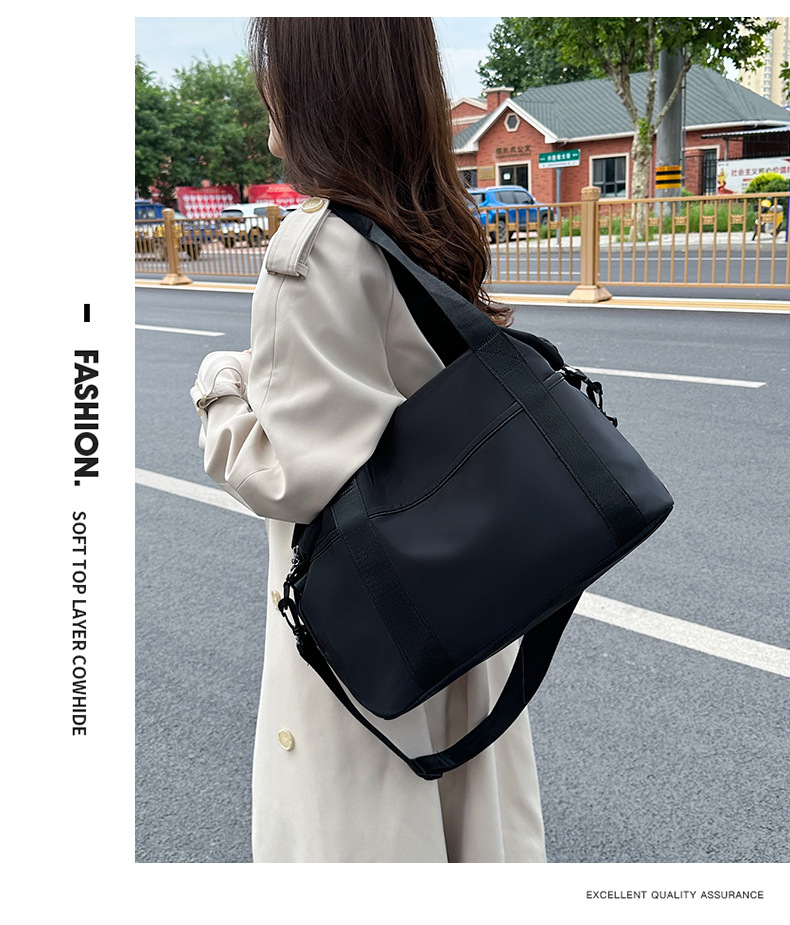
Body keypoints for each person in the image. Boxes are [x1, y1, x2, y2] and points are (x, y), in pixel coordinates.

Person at [190, 17, 546, 863]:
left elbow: (287, 473)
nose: (265, 93)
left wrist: (221, 384)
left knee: (365, 829)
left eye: (273, 72)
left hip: (367, 629)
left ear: (316, 89)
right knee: (466, 825)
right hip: (463, 608)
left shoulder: (314, 251)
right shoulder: (433, 229)